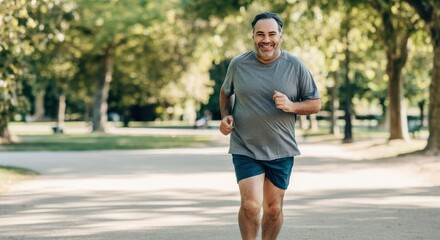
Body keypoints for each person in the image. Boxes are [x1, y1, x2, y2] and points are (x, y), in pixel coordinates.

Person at [219, 12, 321, 240]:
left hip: (281, 148)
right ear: (253, 36)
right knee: (251, 206)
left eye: (271, 34)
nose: (266, 40)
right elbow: (226, 92)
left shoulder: (294, 66)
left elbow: (315, 104)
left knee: (273, 209)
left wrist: (291, 106)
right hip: (246, 146)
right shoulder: (239, 64)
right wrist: (225, 117)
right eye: (260, 34)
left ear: (280, 36)